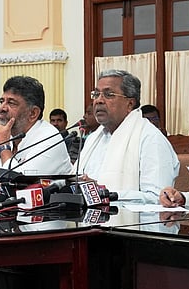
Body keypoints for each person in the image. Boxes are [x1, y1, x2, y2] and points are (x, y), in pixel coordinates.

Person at [77, 69, 179, 203]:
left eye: (108, 94)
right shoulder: (94, 138)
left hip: (132, 222)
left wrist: (103, 194)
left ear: (130, 104)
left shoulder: (150, 139)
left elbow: (158, 198)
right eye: (96, 94)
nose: (98, 101)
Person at [0, 77, 73, 176]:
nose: (2, 108)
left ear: (33, 113)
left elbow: (17, 183)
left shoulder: (50, 139)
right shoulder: (1, 136)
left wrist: (4, 146)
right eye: (2, 101)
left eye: (11, 103)